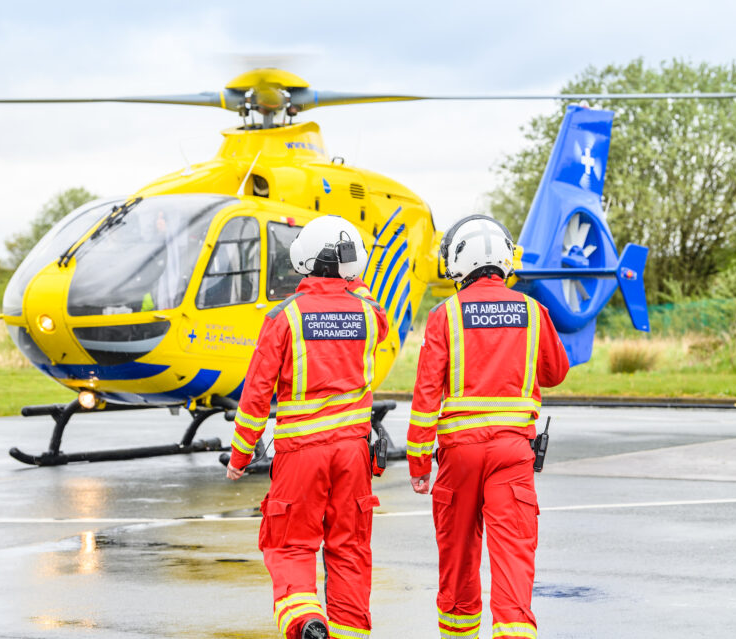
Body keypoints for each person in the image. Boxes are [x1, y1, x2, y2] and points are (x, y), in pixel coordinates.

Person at [406, 215, 569, 639]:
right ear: (504, 259)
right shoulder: (533, 312)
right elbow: (555, 373)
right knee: (513, 553)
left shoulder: (445, 315)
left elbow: (426, 394)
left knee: (458, 556)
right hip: (513, 453)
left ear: (457, 263)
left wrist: (419, 461)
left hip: (458, 454)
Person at [226, 215, 389, 639]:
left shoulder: (284, 317)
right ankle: (350, 632)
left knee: (290, 545)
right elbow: (367, 300)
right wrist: (351, 283)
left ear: (304, 258)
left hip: (301, 455)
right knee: (350, 549)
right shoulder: (371, 314)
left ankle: (306, 621)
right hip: (354, 456)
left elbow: (256, 395)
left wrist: (241, 456)